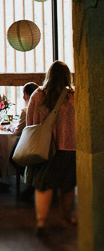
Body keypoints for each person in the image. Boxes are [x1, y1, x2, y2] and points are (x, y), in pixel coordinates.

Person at [25, 61, 76, 233]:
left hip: (44, 148)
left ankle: (41, 221)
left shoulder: (38, 95)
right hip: (70, 148)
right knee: (68, 186)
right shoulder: (74, 96)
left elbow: (29, 123)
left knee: (43, 186)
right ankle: (66, 217)